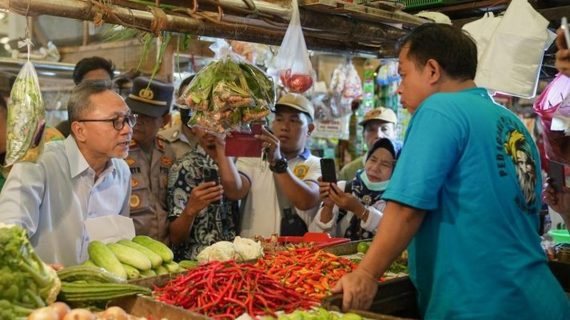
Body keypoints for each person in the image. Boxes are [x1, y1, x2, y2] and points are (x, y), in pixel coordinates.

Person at [333, 24, 570, 319]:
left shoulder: (438, 109)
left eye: (404, 74)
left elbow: (407, 208)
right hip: (540, 298)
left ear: (432, 70)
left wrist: (366, 273)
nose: (399, 86)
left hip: (481, 304)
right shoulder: (512, 122)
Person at [0, 80, 133, 265]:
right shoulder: (39, 163)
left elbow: (119, 241)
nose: (127, 129)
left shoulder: (122, 172)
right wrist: (36, 270)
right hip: (42, 288)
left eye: (128, 119)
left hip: (98, 288)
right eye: (115, 121)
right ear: (80, 130)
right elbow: (8, 231)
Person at [237, 93, 321, 237]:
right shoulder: (252, 158)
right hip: (252, 253)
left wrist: (278, 162)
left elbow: (305, 201)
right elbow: (235, 190)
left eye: (294, 121)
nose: (284, 127)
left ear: (310, 129)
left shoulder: (316, 164)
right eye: (279, 119)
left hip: (295, 255)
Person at [167, 125, 249, 260]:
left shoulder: (240, 162)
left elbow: (237, 191)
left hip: (233, 259)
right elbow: (176, 238)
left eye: (216, 123)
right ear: (192, 127)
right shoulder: (184, 167)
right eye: (203, 123)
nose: (210, 130)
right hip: (197, 262)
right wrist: (190, 210)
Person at [311, 138, 401, 240]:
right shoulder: (342, 189)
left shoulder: (396, 201)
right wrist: (328, 206)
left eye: (385, 164)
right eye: (373, 159)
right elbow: (317, 238)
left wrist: (359, 209)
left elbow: (394, 235)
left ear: (396, 170)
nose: (375, 168)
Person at [125, 76, 176, 245]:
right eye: (134, 114)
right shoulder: (118, 153)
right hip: (130, 249)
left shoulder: (169, 152)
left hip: (166, 247)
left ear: (165, 120)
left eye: (148, 116)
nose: (138, 122)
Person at [338, 107, 398, 181]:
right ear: (363, 134)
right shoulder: (349, 172)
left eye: (384, 129)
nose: (378, 135)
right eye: (371, 130)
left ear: (395, 133)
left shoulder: (403, 169)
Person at [156, 75, 197, 160]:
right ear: (178, 102)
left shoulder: (219, 143)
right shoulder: (162, 140)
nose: (191, 108)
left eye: (196, 102)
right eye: (185, 101)